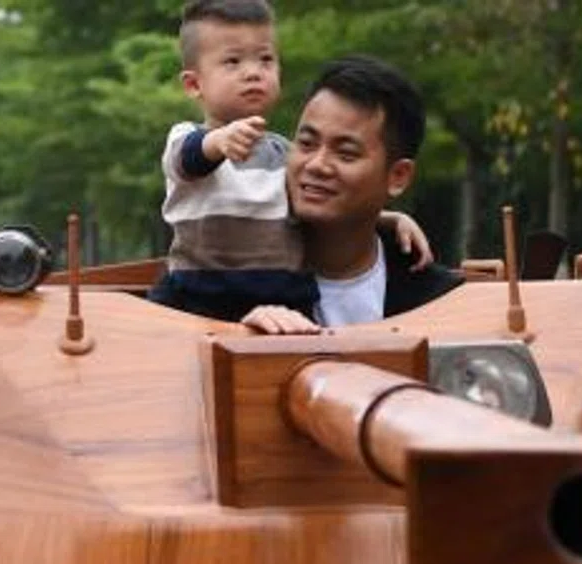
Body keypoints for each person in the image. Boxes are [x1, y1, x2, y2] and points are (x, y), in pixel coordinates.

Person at [148, 1, 429, 323]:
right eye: (232, 61)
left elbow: (308, 199)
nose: (253, 72)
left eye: (265, 59)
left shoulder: (282, 153)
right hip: (200, 295)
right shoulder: (188, 139)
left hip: (282, 295)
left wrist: (387, 219)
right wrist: (220, 141)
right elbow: (189, 158)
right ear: (194, 84)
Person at [240, 55, 466, 335]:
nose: (317, 164)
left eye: (346, 153)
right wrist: (241, 334)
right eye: (307, 143)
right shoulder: (229, 274)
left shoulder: (440, 304)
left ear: (398, 177)